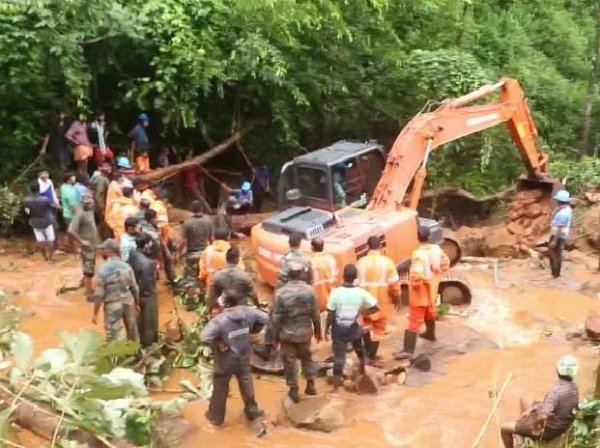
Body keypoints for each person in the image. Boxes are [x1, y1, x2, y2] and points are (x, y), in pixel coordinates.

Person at [201, 289, 269, 428]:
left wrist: (219, 341)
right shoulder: (249, 312)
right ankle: (252, 411)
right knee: (246, 381)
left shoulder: (219, 320)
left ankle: (215, 417)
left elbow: (204, 336)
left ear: (226, 304)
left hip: (226, 359)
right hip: (244, 355)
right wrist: (253, 332)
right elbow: (267, 319)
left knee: (221, 386)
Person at [500, 355, 579, 448]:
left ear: (557, 370)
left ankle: (520, 432)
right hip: (560, 423)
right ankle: (520, 431)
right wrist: (532, 409)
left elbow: (543, 415)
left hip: (548, 430)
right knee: (524, 398)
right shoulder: (574, 387)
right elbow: (552, 407)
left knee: (504, 427)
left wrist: (534, 425)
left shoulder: (555, 391)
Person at [271, 261, 322, 403]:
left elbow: (276, 318)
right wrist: (318, 331)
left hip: (287, 335)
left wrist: (274, 338)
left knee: (289, 363)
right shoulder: (310, 290)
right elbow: (315, 313)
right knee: (307, 358)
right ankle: (311, 385)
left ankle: (294, 391)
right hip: (305, 333)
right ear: (301, 274)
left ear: (288, 275)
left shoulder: (280, 293)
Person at [397, 226, 450, 360]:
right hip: (432, 287)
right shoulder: (436, 249)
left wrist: (414, 286)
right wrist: (436, 273)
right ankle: (430, 334)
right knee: (430, 312)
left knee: (414, 319)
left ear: (417, 237)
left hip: (421, 292)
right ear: (429, 236)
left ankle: (408, 350)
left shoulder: (418, 255)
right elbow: (446, 263)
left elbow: (417, 275)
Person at [325, 264, 379, 390]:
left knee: (339, 357)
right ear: (355, 277)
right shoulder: (361, 292)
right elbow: (376, 307)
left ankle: (336, 387)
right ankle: (363, 373)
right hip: (354, 327)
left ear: (343, 276)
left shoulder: (336, 293)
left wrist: (326, 328)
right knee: (359, 349)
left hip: (339, 329)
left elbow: (331, 313)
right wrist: (362, 312)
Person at [356, 235, 401, 365]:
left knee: (366, 326)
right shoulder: (387, 262)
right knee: (378, 329)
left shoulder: (360, 263)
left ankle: (366, 354)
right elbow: (394, 284)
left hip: (363, 302)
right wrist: (397, 300)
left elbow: (355, 283)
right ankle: (371, 356)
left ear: (367, 247)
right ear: (380, 246)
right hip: (381, 302)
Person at [91, 239, 140, 343]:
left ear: (109, 251)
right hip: (128, 302)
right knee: (132, 331)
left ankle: (116, 358)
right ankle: (137, 355)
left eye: (103, 250)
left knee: (113, 335)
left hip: (113, 305)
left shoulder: (103, 270)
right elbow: (135, 288)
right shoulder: (126, 267)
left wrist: (95, 313)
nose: (101, 252)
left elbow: (99, 294)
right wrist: (137, 303)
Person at [128, 233, 159, 347]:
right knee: (149, 320)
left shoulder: (133, 254)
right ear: (146, 245)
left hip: (134, 289)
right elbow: (146, 282)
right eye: (150, 242)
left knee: (139, 319)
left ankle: (138, 340)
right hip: (146, 293)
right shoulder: (147, 263)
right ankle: (149, 344)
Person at [68, 195, 100, 299]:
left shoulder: (91, 210)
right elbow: (71, 230)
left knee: (90, 267)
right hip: (87, 247)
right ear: (82, 203)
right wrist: (82, 241)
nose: (88, 204)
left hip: (92, 244)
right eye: (85, 203)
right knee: (88, 270)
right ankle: (89, 293)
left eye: (89, 202)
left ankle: (85, 283)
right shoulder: (80, 213)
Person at [209, 247, 260, 312]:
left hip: (225, 310)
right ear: (237, 259)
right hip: (241, 310)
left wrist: (209, 311)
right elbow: (253, 295)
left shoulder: (217, 275)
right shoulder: (244, 276)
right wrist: (258, 306)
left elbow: (212, 296)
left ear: (226, 259)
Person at [23, 181, 56, 262]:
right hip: (46, 220)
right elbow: (51, 207)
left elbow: (27, 212)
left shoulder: (27, 200)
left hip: (35, 221)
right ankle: (50, 258)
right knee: (50, 240)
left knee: (40, 241)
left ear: (30, 189)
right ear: (39, 188)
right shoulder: (45, 199)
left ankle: (45, 257)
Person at [181, 200, 213, 279]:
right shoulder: (208, 222)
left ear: (191, 209)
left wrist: (179, 254)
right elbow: (212, 240)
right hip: (205, 254)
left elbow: (184, 242)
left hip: (192, 254)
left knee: (190, 279)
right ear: (202, 209)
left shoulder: (187, 223)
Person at [309, 237, 339, 312]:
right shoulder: (331, 259)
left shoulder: (309, 263)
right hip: (331, 300)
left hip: (316, 304)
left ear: (312, 248)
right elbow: (336, 279)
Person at [548, 190, 572, 278]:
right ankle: (556, 273)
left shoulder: (563, 213)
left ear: (559, 201)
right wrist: (555, 210)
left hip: (558, 235)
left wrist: (554, 240)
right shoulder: (566, 209)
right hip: (560, 234)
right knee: (557, 252)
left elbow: (560, 227)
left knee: (552, 252)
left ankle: (555, 273)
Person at [38, 170, 60, 247]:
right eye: (43, 173)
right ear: (39, 174)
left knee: (54, 226)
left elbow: (53, 193)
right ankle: (50, 244)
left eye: (46, 173)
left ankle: (54, 244)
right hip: (43, 208)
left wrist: (57, 203)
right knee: (51, 225)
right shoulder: (37, 184)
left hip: (52, 206)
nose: (45, 175)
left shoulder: (49, 182)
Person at [91, 162, 112, 238]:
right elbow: (99, 194)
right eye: (107, 167)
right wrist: (102, 207)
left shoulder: (103, 178)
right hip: (101, 205)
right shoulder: (101, 179)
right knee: (103, 222)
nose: (109, 169)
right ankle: (103, 238)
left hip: (102, 204)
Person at [60, 173, 79, 253]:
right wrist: (77, 215)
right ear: (68, 180)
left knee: (70, 231)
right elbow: (73, 206)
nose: (74, 178)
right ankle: (74, 249)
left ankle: (68, 245)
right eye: (72, 177)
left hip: (66, 213)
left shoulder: (63, 187)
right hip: (71, 215)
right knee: (73, 232)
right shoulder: (70, 191)